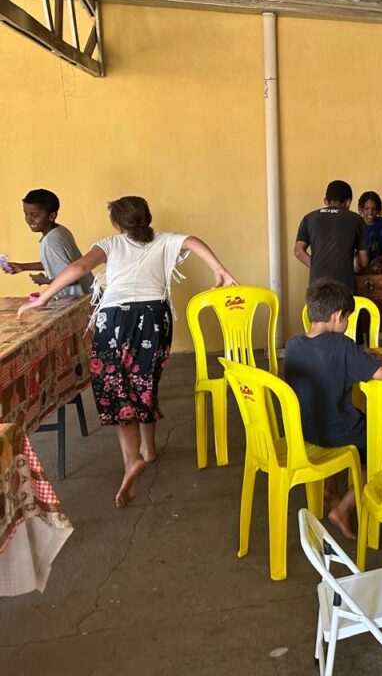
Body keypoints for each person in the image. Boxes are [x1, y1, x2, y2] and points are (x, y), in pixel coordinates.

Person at [17, 196, 237, 508]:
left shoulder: (112, 243)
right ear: (147, 218)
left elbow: (79, 266)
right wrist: (220, 270)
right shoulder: (164, 240)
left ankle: (132, 459)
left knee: (117, 389)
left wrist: (43, 298)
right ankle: (148, 449)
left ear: (119, 225)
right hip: (154, 319)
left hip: (116, 319)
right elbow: (193, 241)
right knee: (145, 383)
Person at [284, 278, 382, 538]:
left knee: (332, 415)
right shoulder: (341, 345)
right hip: (339, 431)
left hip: (305, 431)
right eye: (347, 320)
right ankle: (344, 508)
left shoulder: (292, 345)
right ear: (337, 316)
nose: (346, 326)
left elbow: (326, 362)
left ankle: (330, 491)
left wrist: (357, 356)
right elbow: (381, 374)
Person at [3, 189, 93, 297]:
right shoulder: (60, 230)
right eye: (26, 214)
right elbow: (55, 263)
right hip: (86, 296)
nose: (28, 219)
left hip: (78, 301)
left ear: (52, 216)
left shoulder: (51, 242)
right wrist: (22, 266)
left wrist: (44, 280)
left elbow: (71, 279)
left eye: (34, 215)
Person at [294, 180, 368, 292]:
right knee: (344, 310)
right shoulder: (356, 219)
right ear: (348, 202)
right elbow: (363, 261)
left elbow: (298, 251)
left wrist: (317, 267)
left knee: (319, 309)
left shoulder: (309, 218)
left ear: (326, 200)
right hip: (345, 285)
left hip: (317, 284)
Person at [358, 190, 382, 266]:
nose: (370, 212)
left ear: (378, 210)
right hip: (361, 267)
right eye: (366, 209)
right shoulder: (357, 225)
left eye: (374, 209)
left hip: (381, 266)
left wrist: (377, 260)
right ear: (361, 209)